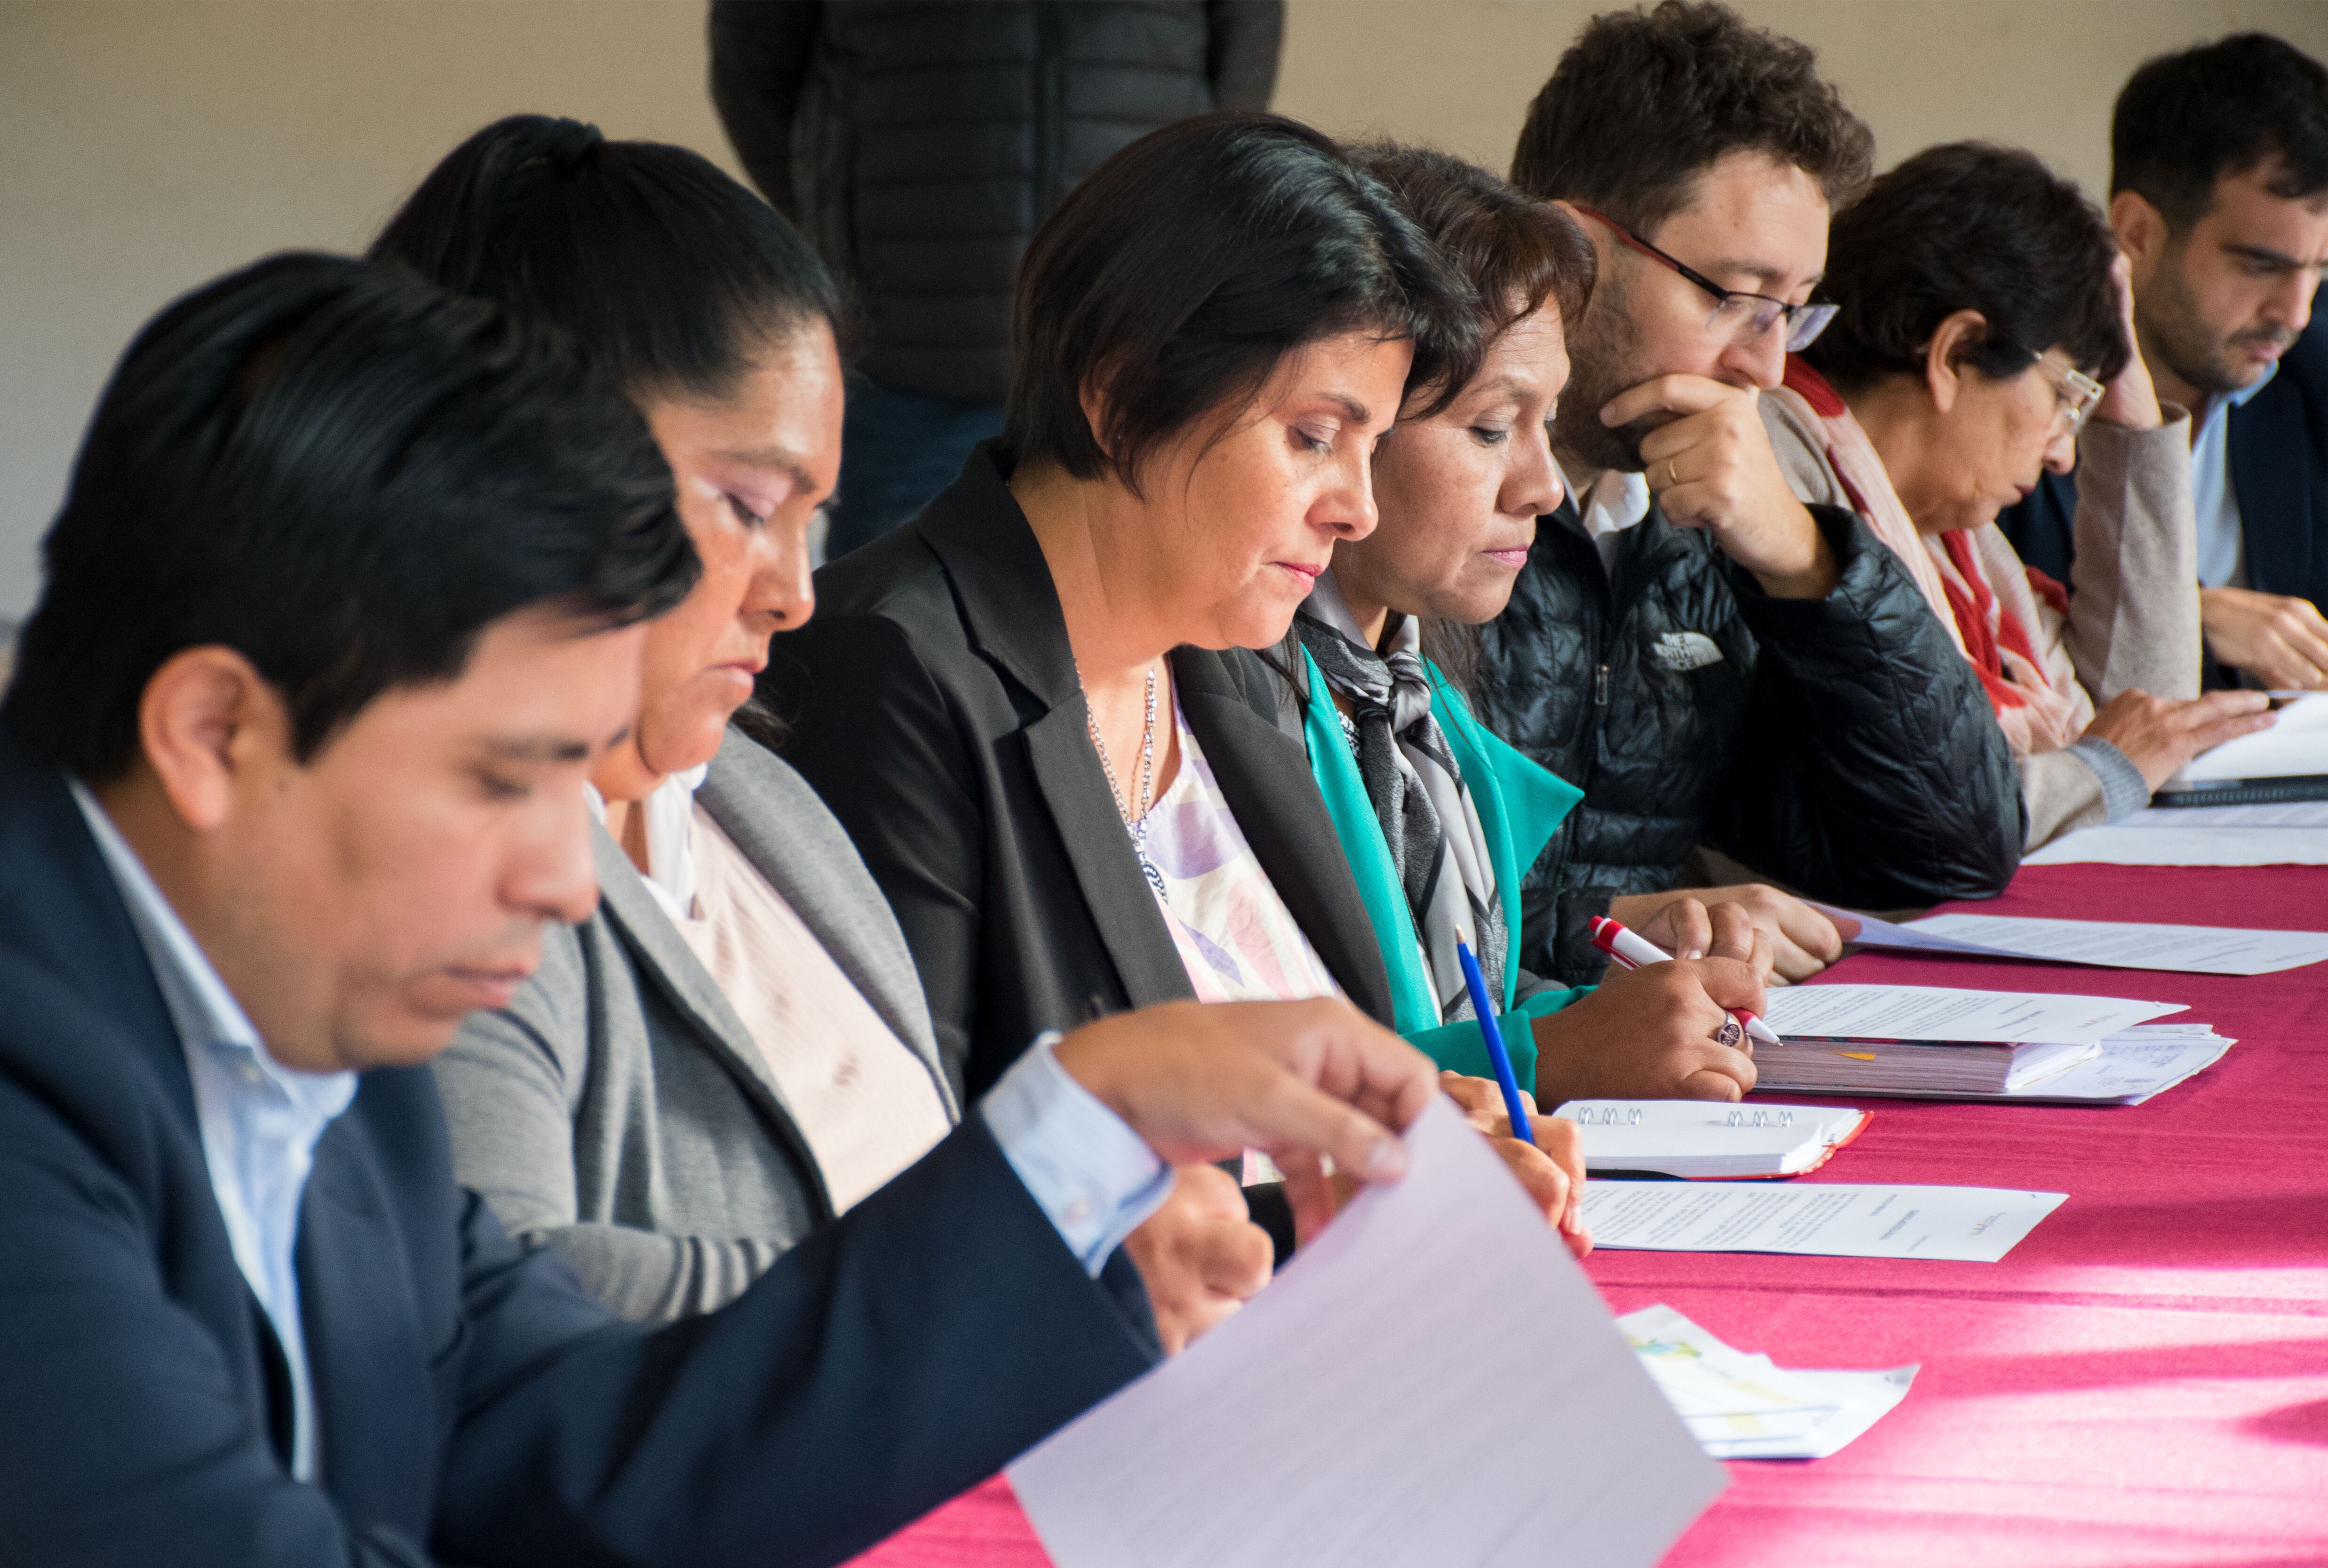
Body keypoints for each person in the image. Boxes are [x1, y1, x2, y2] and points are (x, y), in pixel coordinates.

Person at [0, 250, 1447, 1567]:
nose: (569, 879)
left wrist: (1074, 1134)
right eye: (505, 779)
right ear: (211, 733)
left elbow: (593, 1451)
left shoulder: (310, 1026)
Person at [374, 115, 1277, 1353]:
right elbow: (487, 1307)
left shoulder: (760, 797)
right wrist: (1013, 1274)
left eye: (814, 519)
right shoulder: (440, 862)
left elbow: (945, 1185)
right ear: (520, 473)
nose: (794, 591)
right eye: (746, 506)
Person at [761, 113, 1590, 1248]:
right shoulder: (893, 672)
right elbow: (919, 1199)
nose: (1358, 506)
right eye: (1312, 437)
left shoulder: (1230, 659)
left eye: (1372, 443)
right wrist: (1318, 1215)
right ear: (1120, 394)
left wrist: (1423, 1127)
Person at [1478, 0, 2022, 987]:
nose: (1765, 367)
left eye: (1790, 312)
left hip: (1669, 1078)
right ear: (1568, 245)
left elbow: (1950, 854)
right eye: (1730, 296)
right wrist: (1613, 930)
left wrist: (1811, 564)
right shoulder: (1407, 498)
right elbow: (1336, 916)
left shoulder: (1704, 536)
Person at [1260, 142, 1772, 1106]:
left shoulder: (1422, 696)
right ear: (1349, 423)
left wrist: (1622, 1015)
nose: (1542, 488)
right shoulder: (1235, 711)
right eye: (1494, 427)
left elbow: (1469, 996)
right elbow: (1252, 1077)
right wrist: (1554, 1055)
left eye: (1548, 423)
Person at [1768, 143, 2275, 849]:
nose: (2067, 452)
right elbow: (1912, 823)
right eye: (2068, 396)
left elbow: (2148, 714)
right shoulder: (1774, 479)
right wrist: (2099, 770)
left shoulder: (1957, 540)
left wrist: (2128, 421)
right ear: (1954, 353)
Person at [708, 0, 1284, 559]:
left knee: (1125, 628)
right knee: (880, 630)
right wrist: (837, 215)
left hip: (1123, 356)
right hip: (907, 359)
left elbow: (1237, 66)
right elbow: (754, 69)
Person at [2001, 33, 2328, 692]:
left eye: (2319, 267)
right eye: (2261, 265)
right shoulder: (2008, 380)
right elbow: (1975, 632)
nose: (2296, 312)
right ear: (2136, 233)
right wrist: (2184, 612)